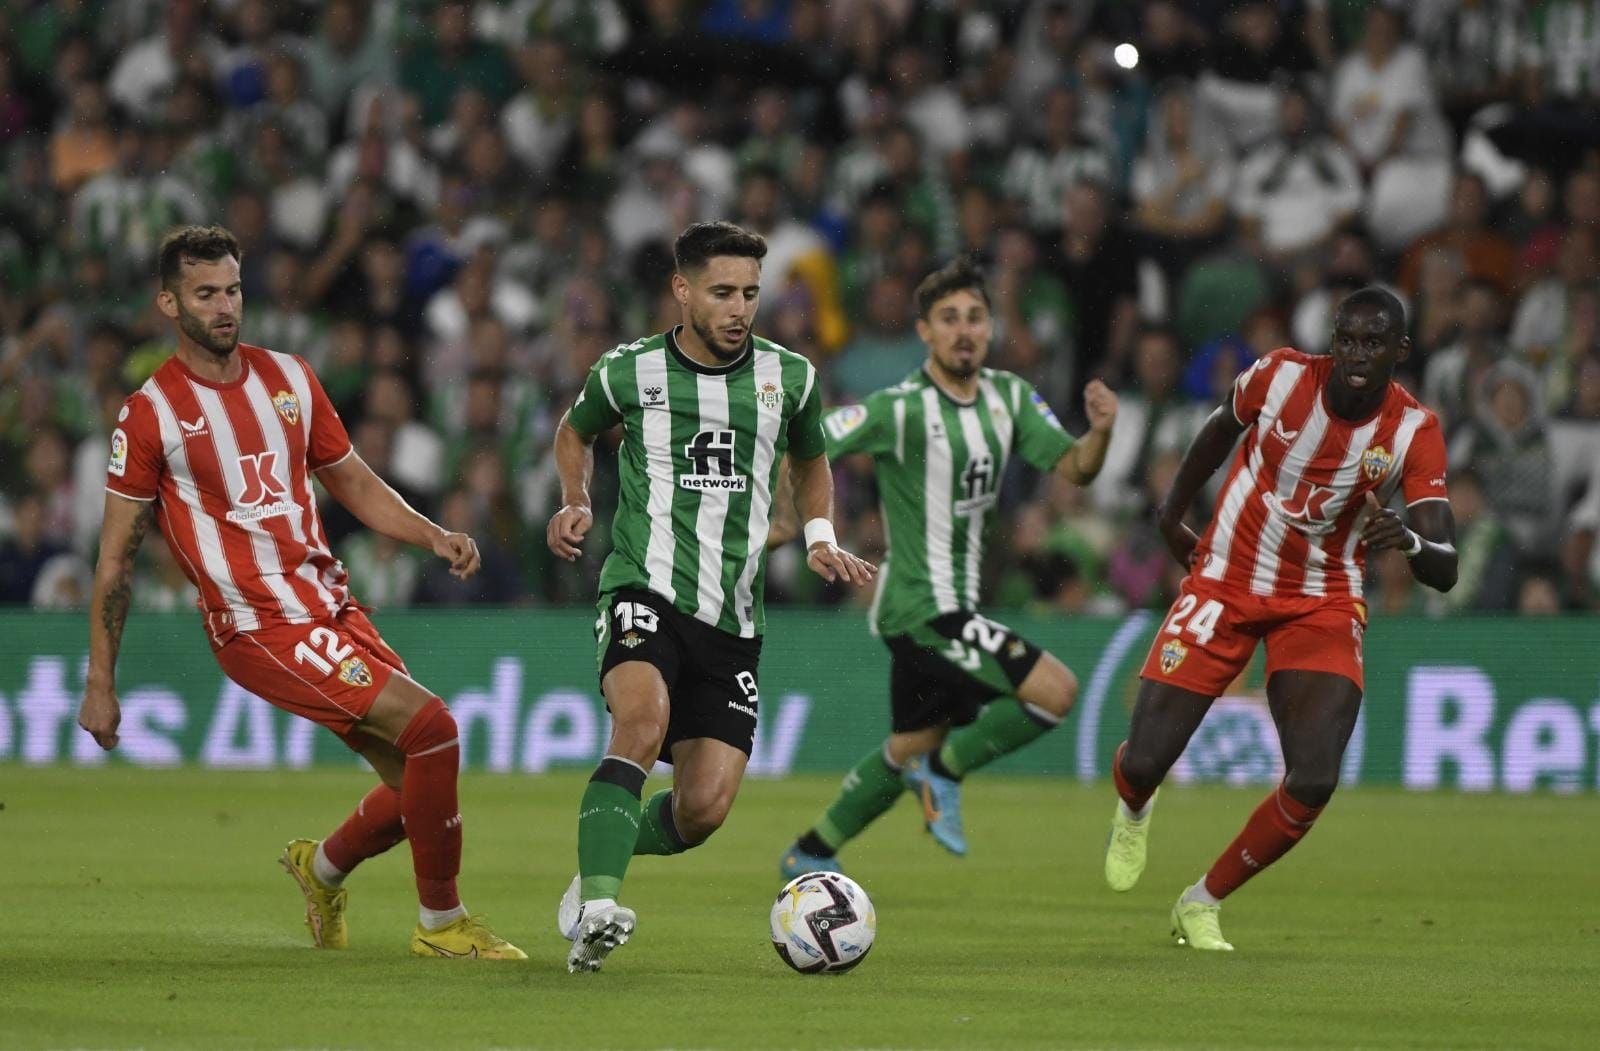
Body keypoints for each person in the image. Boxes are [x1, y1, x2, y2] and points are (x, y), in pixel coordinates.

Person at [76, 226, 524, 961]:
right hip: (256, 624)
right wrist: (100, 681)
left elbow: (350, 478)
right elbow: (115, 560)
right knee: (434, 726)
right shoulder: (151, 412)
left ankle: (320, 869)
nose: (225, 307)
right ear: (168, 302)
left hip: (327, 603)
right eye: (205, 293)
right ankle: (442, 924)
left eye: (233, 290)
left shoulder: (287, 376)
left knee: (421, 784)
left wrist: (429, 533)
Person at [544, 221, 875, 974]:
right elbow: (575, 431)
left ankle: (605, 845)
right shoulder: (629, 370)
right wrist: (576, 500)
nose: (739, 309)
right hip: (643, 586)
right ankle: (599, 903)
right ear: (682, 289)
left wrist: (819, 532)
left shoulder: (789, 377)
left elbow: (813, 459)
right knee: (640, 718)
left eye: (751, 293)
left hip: (732, 618)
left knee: (702, 810)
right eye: (723, 292)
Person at [1102, 287, 1457, 952]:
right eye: (1346, 339)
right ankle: (1134, 804)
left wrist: (1406, 539)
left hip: (1322, 594)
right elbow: (1217, 430)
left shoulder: (1415, 430)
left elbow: (1446, 563)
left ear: (1399, 352)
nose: (1355, 354)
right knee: (1147, 758)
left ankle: (1201, 901)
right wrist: (1172, 512)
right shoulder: (1281, 375)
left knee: (1316, 774)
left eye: (1373, 343)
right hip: (1228, 573)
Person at [776, 256, 1118, 876]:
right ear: (925, 332)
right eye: (948, 319)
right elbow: (810, 442)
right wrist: (788, 516)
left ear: (990, 329)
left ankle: (810, 851)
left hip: (955, 609)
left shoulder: (1010, 398)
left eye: (975, 318)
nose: (965, 330)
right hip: (922, 609)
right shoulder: (899, 408)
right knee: (1056, 691)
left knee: (907, 747)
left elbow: (1075, 468)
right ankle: (946, 773)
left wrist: (1101, 432)